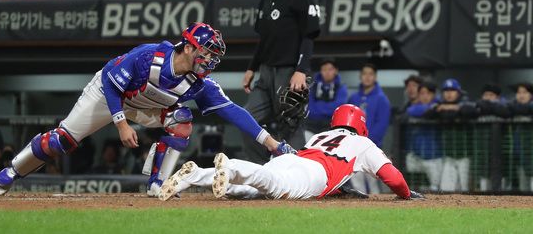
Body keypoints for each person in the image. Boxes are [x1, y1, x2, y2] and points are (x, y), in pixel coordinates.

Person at [0, 22, 296, 197]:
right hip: (109, 94)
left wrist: (271, 143)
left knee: (183, 119)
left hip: (146, 106)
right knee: (62, 142)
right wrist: (121, 124)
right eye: (206, 53)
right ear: (188, 47)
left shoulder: (201, 83)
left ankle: (155, 183)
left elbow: (236, 113)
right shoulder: (149, 56)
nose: (210, 60)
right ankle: (13, 169)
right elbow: (112, 83)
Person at [157, 104, 424, 201]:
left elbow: (331, 162)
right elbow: (393, 178)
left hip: (293, 159)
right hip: (313, 174)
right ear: (360, 126)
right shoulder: (364, 144)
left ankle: (194, 175)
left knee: (251, 191)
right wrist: (406, 194)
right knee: (273, 187)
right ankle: (232, 167)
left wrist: (341, 189)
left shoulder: (322, 135)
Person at [241, 0, 321, 164]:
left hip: (289, 71)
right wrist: (252, 67)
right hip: (266, 71)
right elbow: (264, 39)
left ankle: (295, 178)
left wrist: (301, 70)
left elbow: (308, 37)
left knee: (291, 121)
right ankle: (262, 172)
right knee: (247, 120)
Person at [347, 63, 391, 194]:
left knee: (373, 183)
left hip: (373, 147)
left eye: (370, 74)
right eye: (365, 73)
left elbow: (381, 125)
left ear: (375, 77)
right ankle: (357, 212)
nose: (367, 77)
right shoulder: (353, 97)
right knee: (356, 182)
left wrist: (366, 143)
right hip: (354, 148)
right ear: (360, 76)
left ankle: (378, 212)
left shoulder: (382, 99)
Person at [404, 81, 443, 191]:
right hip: (417, 156)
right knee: (417, 187)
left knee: (437, 189)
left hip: (435, 157)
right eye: (422, 93)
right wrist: (432, 109)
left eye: (428, 93)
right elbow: (411, 110)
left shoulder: (440, 105)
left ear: (433, 94)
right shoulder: (416, 107)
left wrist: (435, 109)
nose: (425, 96)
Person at [305, 58, 348, 138]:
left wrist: (318, 106)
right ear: (320, 71)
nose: (327, 72)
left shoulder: (341, 87)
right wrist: (327, 107)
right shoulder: (312, 85)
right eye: (324, 69)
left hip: (331, 127)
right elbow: (309, 108)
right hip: (310, 126)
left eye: (330, 69)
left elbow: (338, 108)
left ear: (336, 71)